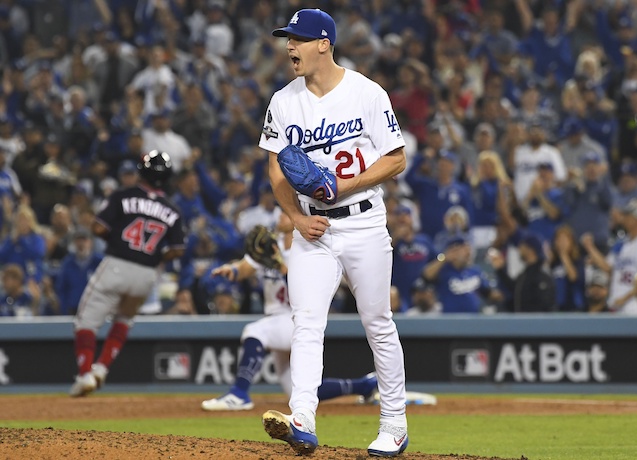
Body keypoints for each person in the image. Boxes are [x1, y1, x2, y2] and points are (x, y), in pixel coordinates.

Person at [258, 9, 408, 457]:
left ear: (324, 43)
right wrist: (296, 218)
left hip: (363, 220)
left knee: (378, 324)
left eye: (299, 40)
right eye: (288, 39)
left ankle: (395, 424)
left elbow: (395, 158)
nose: (290, 47)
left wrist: (344, 184)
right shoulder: (284, 100)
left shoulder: (366, 93)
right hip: (312, 228)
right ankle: (302, 417)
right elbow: (276, 167)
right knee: (306, 323)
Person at [201, 219, 377, 411]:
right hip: (277, 320)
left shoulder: (311, 248)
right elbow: (246, 266)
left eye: (285, 212)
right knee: (298, 391)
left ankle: (239, 393)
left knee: (255, 331)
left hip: (299, 319)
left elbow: (305, 292)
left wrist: (282, 267)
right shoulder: (272, 243)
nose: (281, 216)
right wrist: (232, 270)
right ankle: (364, 385)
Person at [69, 150, 186, 397]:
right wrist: (154, 256)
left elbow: (98, 226)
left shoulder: (123, 196)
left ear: (141, 172)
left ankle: (85, 373)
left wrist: (117, 240)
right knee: (123, 320)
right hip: (146, 275)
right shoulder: (172, 210)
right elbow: (177, 250)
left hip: (117, 264)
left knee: (86, 321)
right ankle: (101, 368)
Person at [489, 231, 557, 313]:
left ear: (530, 250)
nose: (519, 250)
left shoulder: (542, 275)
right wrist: (500, 269)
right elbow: (515, 288)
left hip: (536, 324)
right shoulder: (526, 274)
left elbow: (546, 306)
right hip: (524, 323)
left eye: (522, 246)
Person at [607, 200, 637, 315]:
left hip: (633, 304)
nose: (624, 218)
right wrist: (590, 248)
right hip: (616, 303)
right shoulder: (621, 243)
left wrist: (625, 298)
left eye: (628, 215)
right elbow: (609, 268)